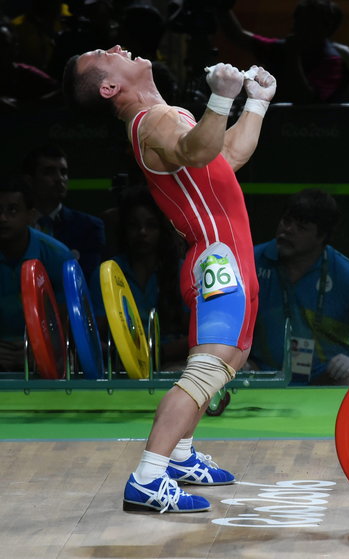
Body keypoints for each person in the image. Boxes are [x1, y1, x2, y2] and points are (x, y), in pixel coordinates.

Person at [63, 44, 276, 512]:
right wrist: (220, 99)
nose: (119, 46)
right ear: (109, 87)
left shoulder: (164, 114)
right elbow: (198, 151)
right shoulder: (152, 122)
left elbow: (225, 157)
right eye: (105, 51)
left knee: (232, 359)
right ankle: (148, 477)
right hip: (218, 256)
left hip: (227, 254)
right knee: (206, 370)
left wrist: (255, 104)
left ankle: (179, 456)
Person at [250, 188, 349, 386]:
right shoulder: (250, 262)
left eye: (301, 227)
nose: (288, 230)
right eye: (286, 221)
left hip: (324, 376)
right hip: (260, 372)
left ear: (322, 237)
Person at [88, 187, 189, 370]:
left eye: (151, 225)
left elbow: (197, 336)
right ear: (124, 230)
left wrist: (155, 355)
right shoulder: (106, 273)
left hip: (172, 364)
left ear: (162, 230)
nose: (142, 232)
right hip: (119, 364)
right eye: (134, 225)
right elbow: (95, 333)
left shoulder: (182, 271)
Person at [216, 0, 349, 103]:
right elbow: (238, 36)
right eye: (298, 20)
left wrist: (292, 57)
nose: (297, 27)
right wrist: (222, 7)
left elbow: (305, 101)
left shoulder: (332, 62)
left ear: (326, 28)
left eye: (307, 22)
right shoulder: (281, 47)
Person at [0, 177, 74, 371]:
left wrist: (41, 352)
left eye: (12, 210)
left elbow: (65, 321)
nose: (3, 218)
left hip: (44, 354)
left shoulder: (58, 256)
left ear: (31, 216)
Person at [21, 143, 105, 281]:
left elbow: (86, 281)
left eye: (63, 172)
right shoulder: (16, 227)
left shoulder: (88, 227)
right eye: (49, 172)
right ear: (29, 180)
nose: (59, 178)